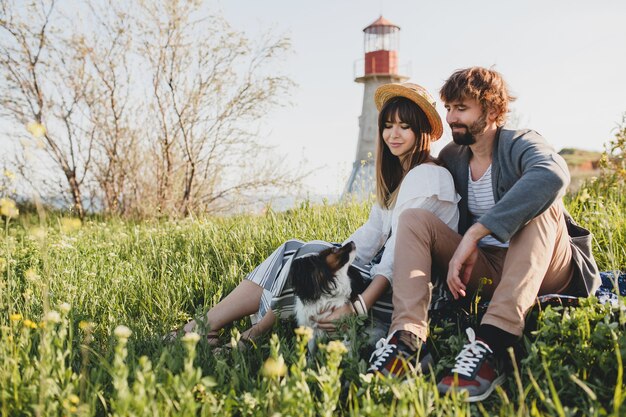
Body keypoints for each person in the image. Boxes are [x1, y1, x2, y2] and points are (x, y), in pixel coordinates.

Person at [367, 67, 600, 402]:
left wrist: (477, 230)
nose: (450, 117)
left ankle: (493, 344)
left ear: (491, 110)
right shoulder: (452, 157)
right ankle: (408, 342)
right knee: (415, 219)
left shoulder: (520, 142)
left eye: (461, 108)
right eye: (448, 108)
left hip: (547, 267)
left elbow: (552, 174)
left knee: (541, 205)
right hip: (487, 269)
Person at [171, 82, 460, 346]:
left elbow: (396, 255)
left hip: (418, 297)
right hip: (385, 281)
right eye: (387, 125)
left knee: (307, 253)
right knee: (297, 249)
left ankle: (248, 333)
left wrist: (356, 306)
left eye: (404, 126)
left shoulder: (427, 177)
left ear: (420, 131)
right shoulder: (400, 179)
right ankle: (213, 327)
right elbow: (368, 238)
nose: (392, 134)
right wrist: (330, 259)